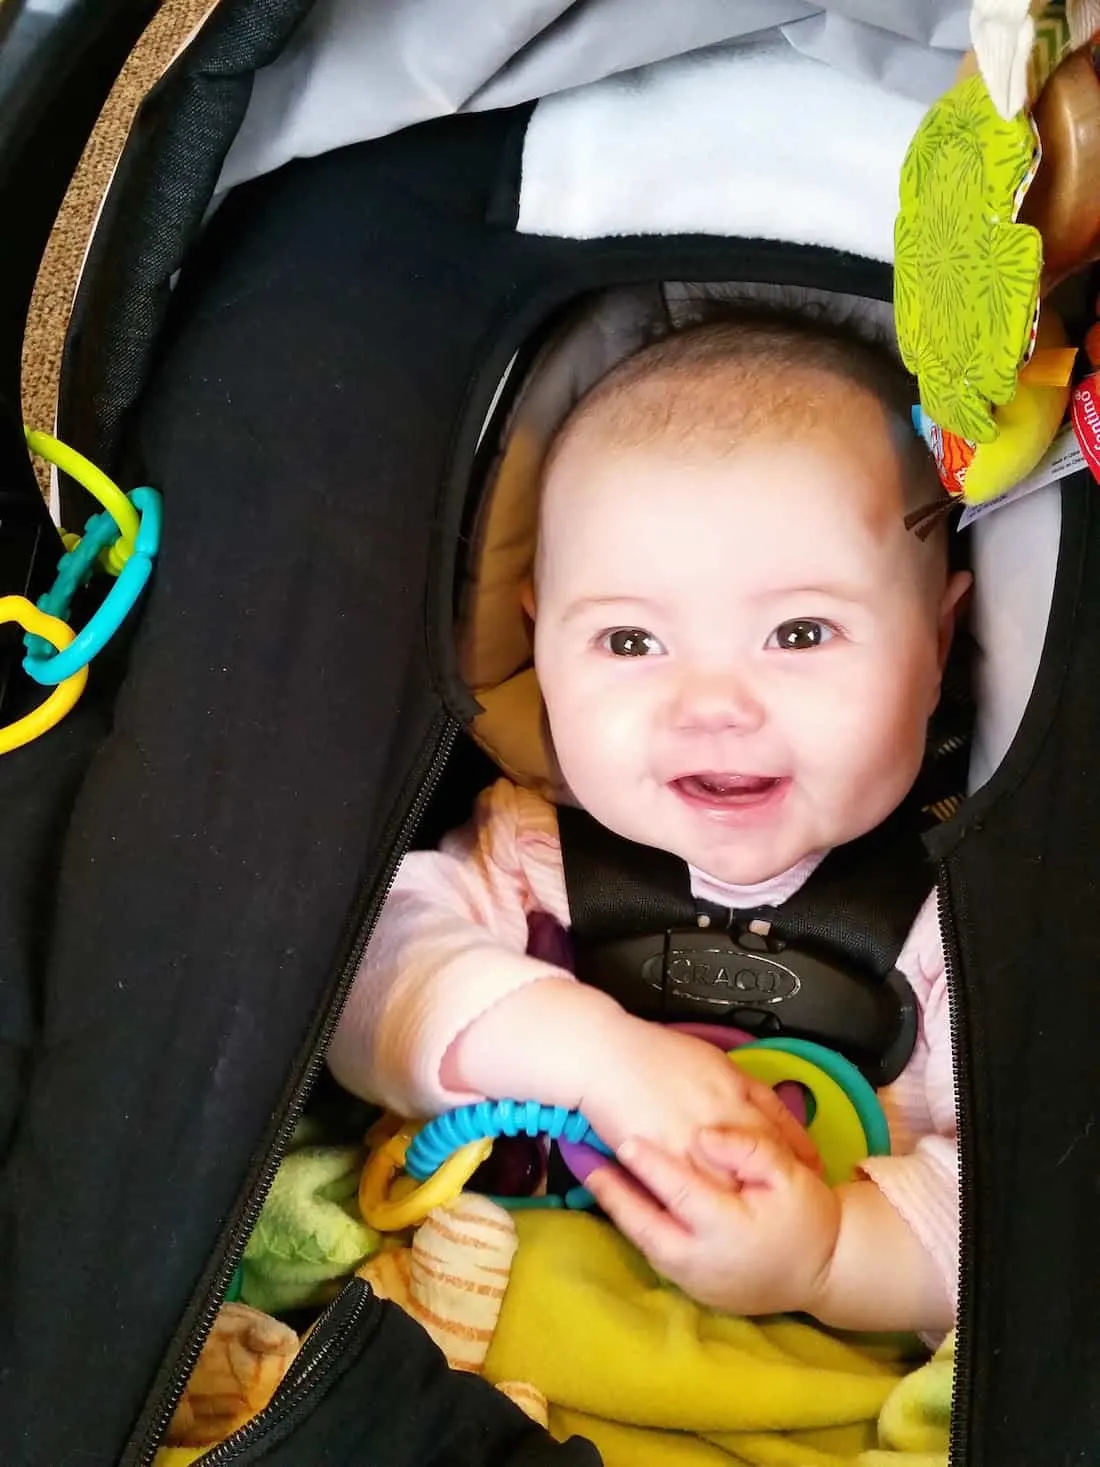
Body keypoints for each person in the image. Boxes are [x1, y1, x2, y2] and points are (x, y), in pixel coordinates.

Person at [328, 311, 971, 1337]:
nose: (708, 705)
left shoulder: (958, 923)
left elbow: (1021, 1213)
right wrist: (595, 1057)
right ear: (542, 647)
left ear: (937, 644)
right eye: (628, 640)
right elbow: (361, 990)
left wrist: (824, 1256)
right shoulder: (527, 852)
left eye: (797, 633)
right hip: (491, 1329)